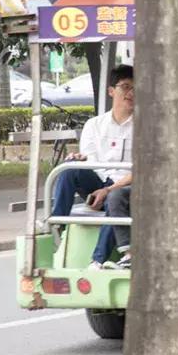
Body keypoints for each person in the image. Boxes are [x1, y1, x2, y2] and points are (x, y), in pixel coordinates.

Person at [49, 64, 134, 269]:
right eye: (125, 87)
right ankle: (55, 226)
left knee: (115, 197)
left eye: (135, 88)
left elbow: (141, 171)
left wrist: (107, 190)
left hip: (128, 186)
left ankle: (98, 260)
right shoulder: (94, 125)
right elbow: (91, 161)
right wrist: (78, 161)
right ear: (112, 91)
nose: (131, 93)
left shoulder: (145, 125)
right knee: (70, 169)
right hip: (101, 180)